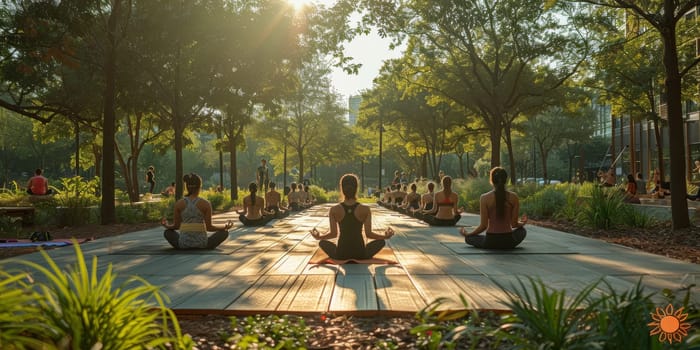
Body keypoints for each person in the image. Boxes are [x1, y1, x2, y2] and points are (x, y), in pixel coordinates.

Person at [310, 174, 395, 260]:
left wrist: (319, 237)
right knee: (381, 242)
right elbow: (369, 234)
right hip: (360, 253)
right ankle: (365, 251)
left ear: (342, 189)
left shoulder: (334, 210)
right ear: (356, 189)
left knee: (322, 242)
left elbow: (333, 234)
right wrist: (385, 237)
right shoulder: (365, 209)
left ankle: (336, 250)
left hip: (341, 254)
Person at [460, 167, 527, 249]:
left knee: (469, 239)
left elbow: (483, 226)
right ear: (506, 180)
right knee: (522, 231)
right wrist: (522, 223)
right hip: (508, 241)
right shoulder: (514, 197)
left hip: (490, 242)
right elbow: (514, 224)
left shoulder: (484, 198)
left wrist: (469, 234)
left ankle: (471, 237)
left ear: (491, 180)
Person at [161, 173, 232, 249]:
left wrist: (166, 225)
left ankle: (183, 244)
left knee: (167, 232)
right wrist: (224, 227)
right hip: (202, 244)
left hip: (183, 244)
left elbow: (176, 226)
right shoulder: (206, 204)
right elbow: (209, 227)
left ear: (187, 187)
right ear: (199, 187)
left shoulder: (179, 204)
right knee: (224, 233)